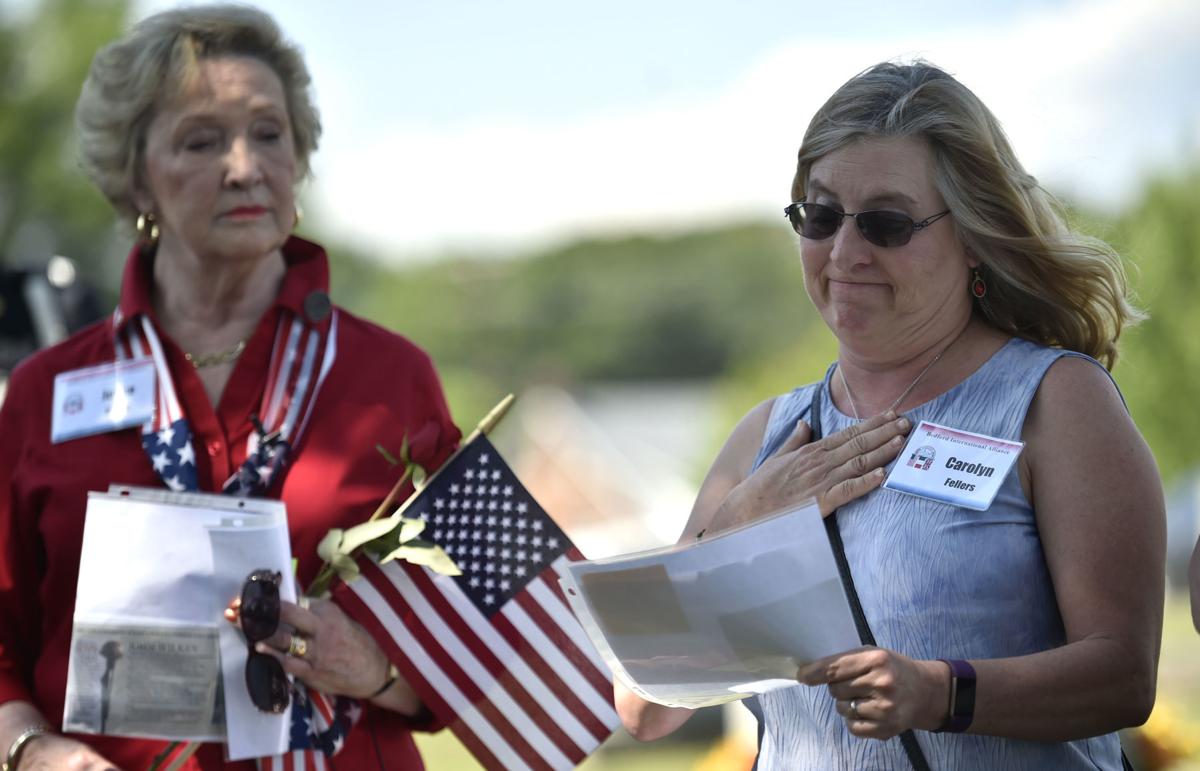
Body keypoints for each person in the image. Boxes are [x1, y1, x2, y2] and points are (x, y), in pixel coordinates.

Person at [615, 61, 1165, 769]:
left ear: (974, 233)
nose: (845, 253)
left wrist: (939, 692)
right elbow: (646, 707)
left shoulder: (1055, 400)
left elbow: (1122, 674)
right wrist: (735, 531)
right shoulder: (763, 435)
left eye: (886, 223)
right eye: (820, 216)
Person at [0, 6, 460, 770]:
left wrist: (381, 668)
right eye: (201, 140)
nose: (245, 166)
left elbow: (481, 637)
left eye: (269, 133)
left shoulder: (392, 378)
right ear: (135, 176)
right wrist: (28, 748)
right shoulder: (47, 390)